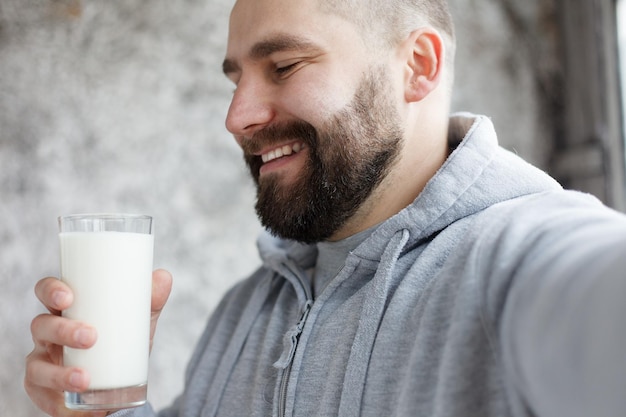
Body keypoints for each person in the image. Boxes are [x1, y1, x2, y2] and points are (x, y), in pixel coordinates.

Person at [24, 0, 626, 415]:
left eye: (283, 66)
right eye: (237, 78)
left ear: (417, 66)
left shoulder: (525, 258)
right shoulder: (244, 314)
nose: (237, 117)